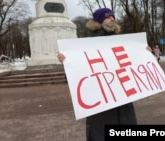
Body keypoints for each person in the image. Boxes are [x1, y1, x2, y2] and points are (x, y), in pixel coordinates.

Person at [57, 8, 152, 141]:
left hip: (125, 108)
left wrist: (145, 54)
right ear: (98, 21)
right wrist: (68, 64)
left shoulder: (124, 43)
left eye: (113, 17)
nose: (113, 19)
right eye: (108, 17)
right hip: (101, 111)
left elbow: (136, 68)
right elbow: (76, 79)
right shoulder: (84, 46)